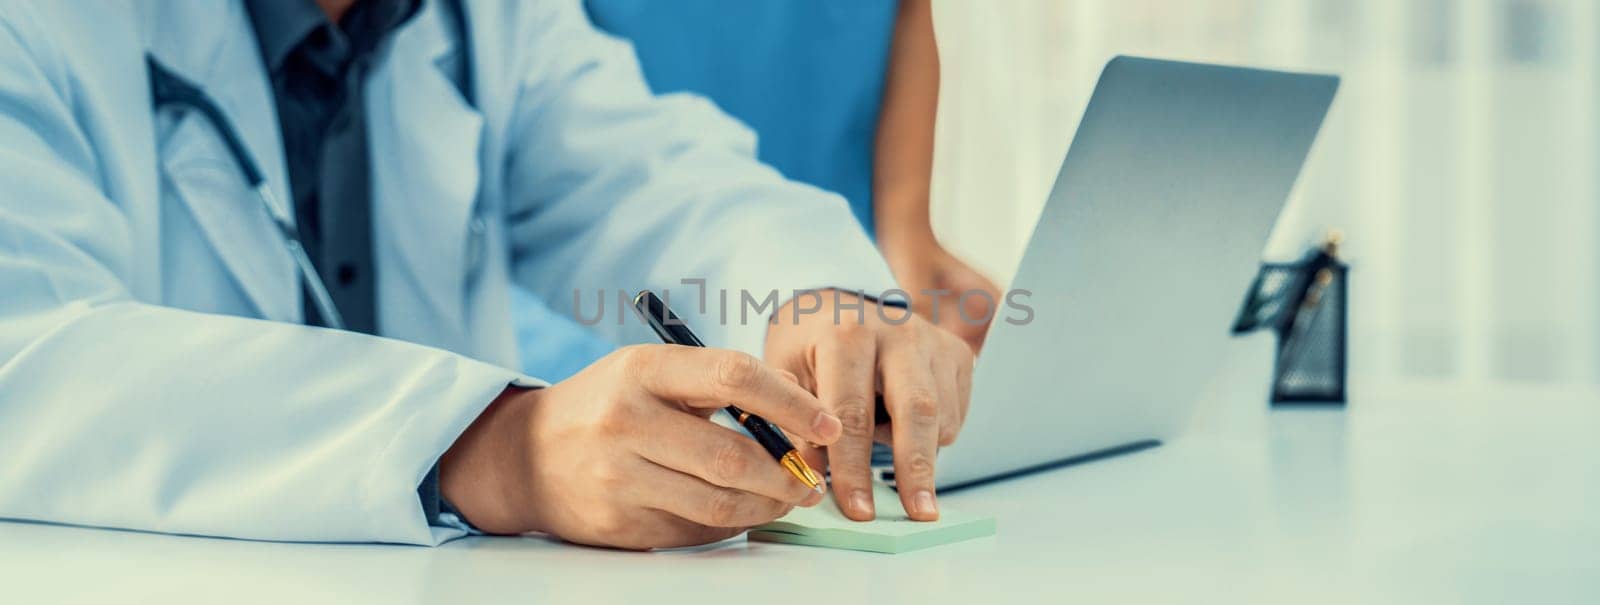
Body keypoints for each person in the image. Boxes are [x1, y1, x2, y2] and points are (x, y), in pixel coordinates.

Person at [0, 0, 972, 550]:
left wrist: (823, 296)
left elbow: (652, 172)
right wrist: (488, 446)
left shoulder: (481, 17)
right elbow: (27, 357)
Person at [511, 0, 1003, 386]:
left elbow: (902, 11)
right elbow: (574, 148)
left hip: (813, 248)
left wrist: (905, 231)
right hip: (599, 269)